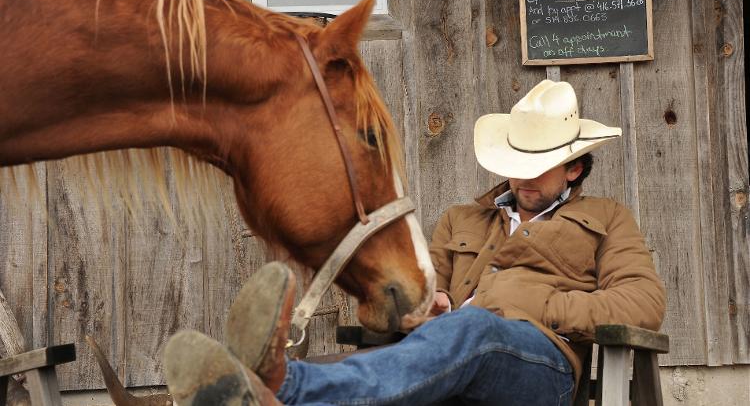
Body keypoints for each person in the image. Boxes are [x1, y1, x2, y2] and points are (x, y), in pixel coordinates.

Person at [162, 80, 667, 406]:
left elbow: (644, 303)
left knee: (472, 330)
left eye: (537, 169)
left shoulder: (606, 219)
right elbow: (432, 296)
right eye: (515, 167)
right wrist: (431, 303)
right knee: (428, 338)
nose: (522, 180)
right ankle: (263, 388)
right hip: (448, 350)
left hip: (540, 367)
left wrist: (539, 303)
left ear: (575, 167)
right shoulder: (461, 219)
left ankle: (282, 388)